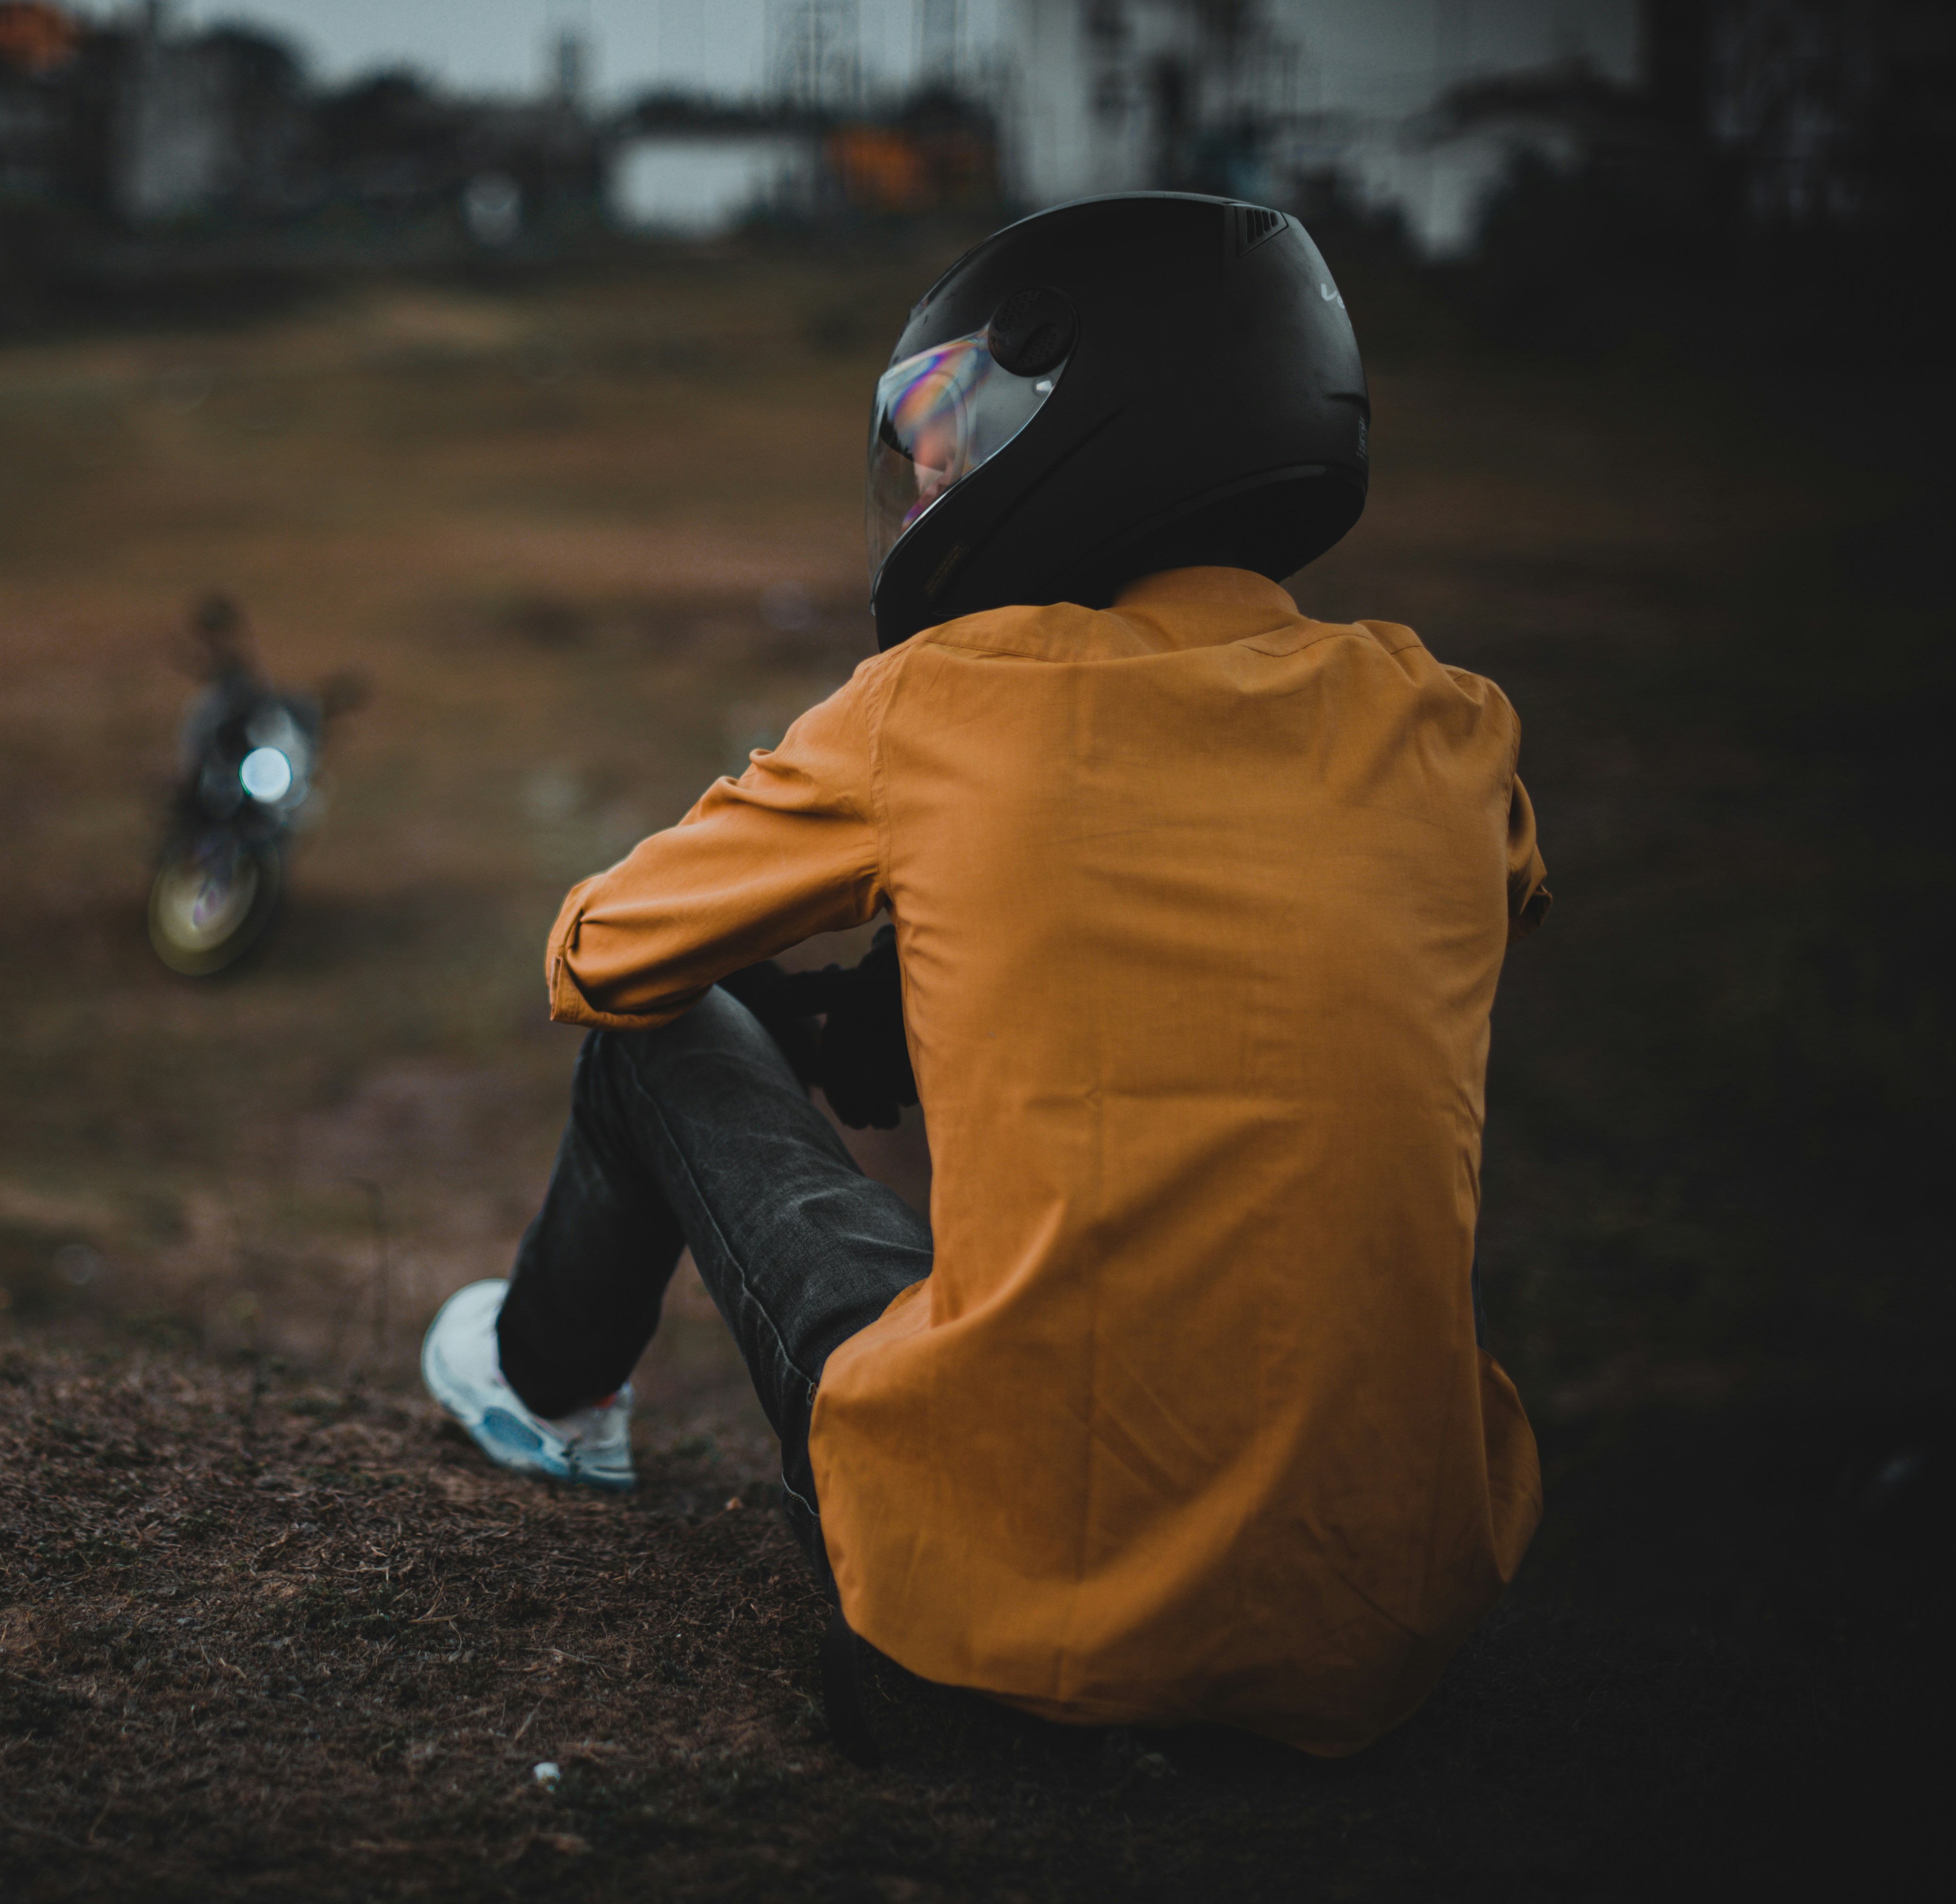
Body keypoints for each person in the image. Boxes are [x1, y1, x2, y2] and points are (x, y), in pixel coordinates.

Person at [419, 193, 1549, 1759]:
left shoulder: (941, 704)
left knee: (662, 1038)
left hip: (996, 1630)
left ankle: (544, 1397)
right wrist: (925, 980)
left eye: (956, 418)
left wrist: (828, 967)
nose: (932, 468)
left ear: (1086, 402)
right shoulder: (1453, 731)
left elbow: (599, 955)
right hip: (1381, 1647)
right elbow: (1377, 918)